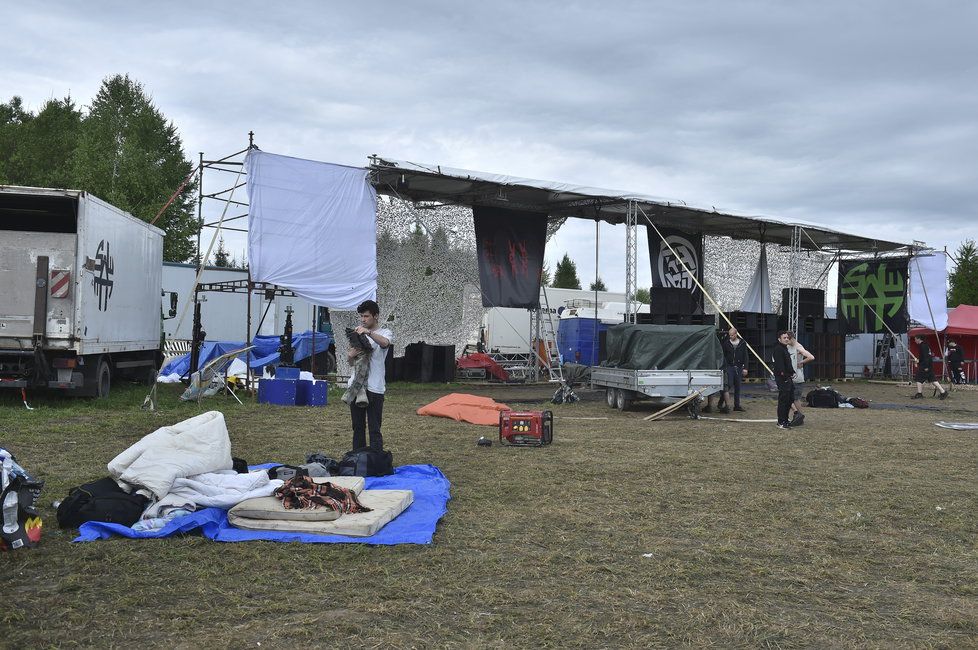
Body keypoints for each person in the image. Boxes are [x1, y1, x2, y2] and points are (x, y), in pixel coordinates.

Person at [346, 300, 394, 451]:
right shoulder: (357, 333)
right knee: (357, 428)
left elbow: (385, 343)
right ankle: (358, 459)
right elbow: (351, 362)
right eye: (361, 316)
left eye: (366, 316)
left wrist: (369, 333)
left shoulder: (385, 332)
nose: (363, 320)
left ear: (376, 316)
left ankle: (376, 460)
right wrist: (350, 355)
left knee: (374, 428)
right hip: (356, 387)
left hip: (375, 387)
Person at [786, 332, 815, 426]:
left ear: (791, 338)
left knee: (795, 399)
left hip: (797, 378)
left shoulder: (798, 347)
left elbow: (811, 357)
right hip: (790, 376)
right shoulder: (788, 347)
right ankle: (797, 415)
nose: (786, 341)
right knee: (789, 398)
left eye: (787, 339)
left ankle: (800, 416)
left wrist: (801, 362)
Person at [721, 327, 748, 412]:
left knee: (738, 387)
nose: (731, 337)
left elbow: (745, 356)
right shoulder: (726, 343)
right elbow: (723, 355)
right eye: (730, 335)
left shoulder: (742, 343)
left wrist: (745, 368)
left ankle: (737, 405)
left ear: (736, 334)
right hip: (729, 366)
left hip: (739, 367)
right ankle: (723, 402)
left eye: (732, 335)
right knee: (729, 384)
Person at [913, 334, 947, 399]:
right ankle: (943, 392)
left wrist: (926, 366)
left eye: (915, 339)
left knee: (918, 378)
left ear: (919, 339)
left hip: (925, 365)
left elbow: (926, 357)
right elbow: (924, 357)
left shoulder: (923, 346)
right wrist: (918, 360)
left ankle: (919, 393)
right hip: (928, 365)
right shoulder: (925, 345)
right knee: (932, 379)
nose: (915, 340)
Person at [772, 330, 795, 429]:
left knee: (790, 399)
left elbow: (788, 364)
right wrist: (784, 376)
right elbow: (780, 365)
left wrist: (792, 372)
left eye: (787, 338)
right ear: (779, 339)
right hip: (782, 378)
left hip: (788, 377)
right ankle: (781, 421)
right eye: (784, 338)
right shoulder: (778, 349)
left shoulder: (785, 349)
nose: (786, 339)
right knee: (783, 400)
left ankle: (785, 419)